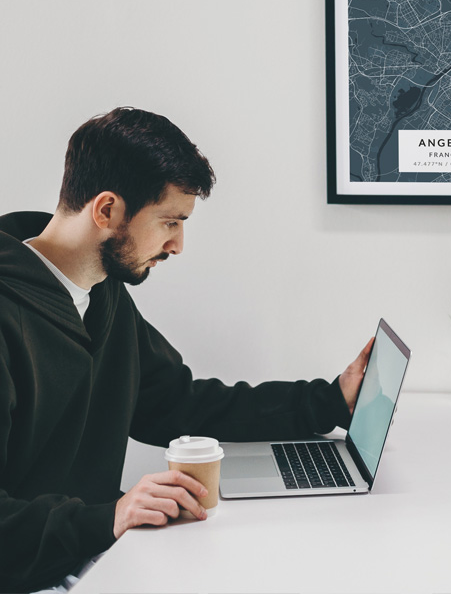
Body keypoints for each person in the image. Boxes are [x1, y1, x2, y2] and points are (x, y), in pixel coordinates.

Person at [0, 108, 372, 593]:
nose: (177, 244)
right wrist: (107, 518)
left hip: (97, 556)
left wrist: (328, 401)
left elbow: (179, 403)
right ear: (107, 210)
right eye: (170, 222)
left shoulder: (103, 294)